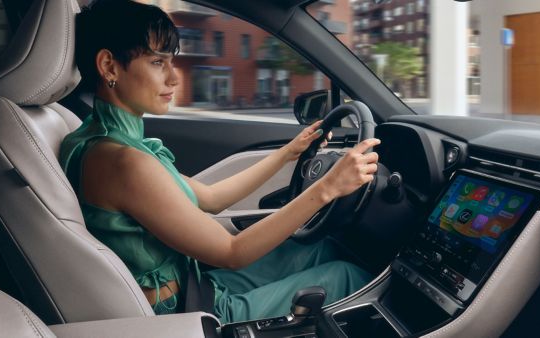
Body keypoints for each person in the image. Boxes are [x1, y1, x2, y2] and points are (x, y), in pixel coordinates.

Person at [59, 0, 380, 323]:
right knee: (347, 276)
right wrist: (327, 188)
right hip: (188, 311)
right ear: (109, 66)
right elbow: (231, 252)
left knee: (323, 250)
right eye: (158, 62)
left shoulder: (103, 141)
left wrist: (287, 153)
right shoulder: (124, 162)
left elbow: (212, 199)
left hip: (195, 284)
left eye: (172, 61)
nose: (174, 78)